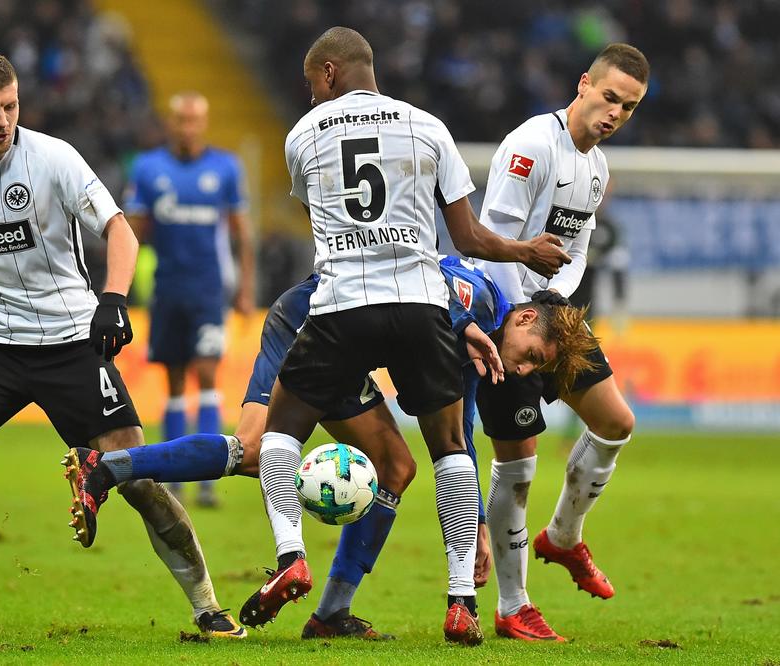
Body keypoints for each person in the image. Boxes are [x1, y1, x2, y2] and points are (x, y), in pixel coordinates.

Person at [0, 51, 244, 639]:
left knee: (137, 479)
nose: (3, 120)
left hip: (70, 342)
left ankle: (207, 605)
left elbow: (118, 229)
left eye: (11, 106)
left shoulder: (54, 157)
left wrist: (114, 299)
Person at [237, 27, 572, 646]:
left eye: (313, 83)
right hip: (420, 304)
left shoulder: (302, 135)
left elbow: (322, 223)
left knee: (280, 432)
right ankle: (461, 601)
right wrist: (524, 248)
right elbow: (467, 240)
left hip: (339, 305)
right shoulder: (429, 126)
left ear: (330, 74)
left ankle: (290, 559)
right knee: (449, 446)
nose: (312, 95)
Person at [63, 254, 597, 639]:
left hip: (348, 339)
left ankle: (331, 614)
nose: (522, 369)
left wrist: (475, 520)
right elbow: (436, 286)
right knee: (251, 449)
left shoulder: (485, 353)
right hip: (310, 317)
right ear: (525, 318)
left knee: (395, 466)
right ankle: (106, 466)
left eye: (533, 369)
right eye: (532, 355)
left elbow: (458, 437)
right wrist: (460, 328)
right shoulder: (479, 295)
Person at [472, 43, 649, 642]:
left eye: (627, 108)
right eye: (609, 98)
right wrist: (515, 315)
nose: (615, 114)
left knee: (616, 421)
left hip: (555, 314)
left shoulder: (595, 168)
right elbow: (492, 236)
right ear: (583, 85)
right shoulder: (531, 146)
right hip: (506, 319)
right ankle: (512, 604)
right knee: (517, 467)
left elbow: (575, 251)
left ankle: (564, 537)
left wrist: (557, 305)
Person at [124, 91, 255, 508]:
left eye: (194, 120)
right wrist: (118, 287)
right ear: (171, 122)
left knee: (207, 373)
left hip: (208, 290)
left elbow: (241, 232)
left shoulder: (225, 168)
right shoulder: (147, 169)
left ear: (204, 122)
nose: (187, 127)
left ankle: (208, 478)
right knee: (175, 382)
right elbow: (134, 231)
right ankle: (175, 474)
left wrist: (247, 288)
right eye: (181, 120)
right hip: (167, 289)